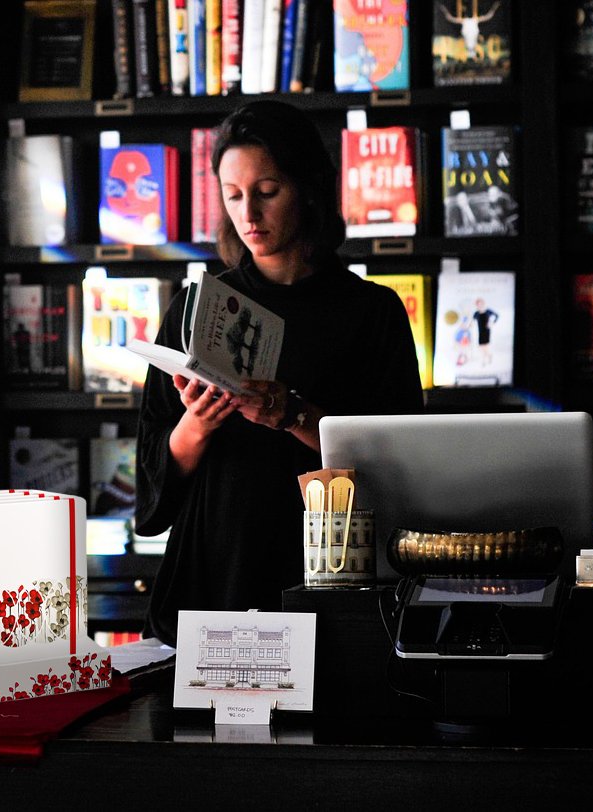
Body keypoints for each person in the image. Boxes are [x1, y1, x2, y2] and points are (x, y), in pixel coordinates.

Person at [133, 100, 424, 646]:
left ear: (309, 185)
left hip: (328, 572)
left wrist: (289, 412)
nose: (249, 215)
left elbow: (400, 465)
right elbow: (151, 495)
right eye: (233, 195)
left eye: (267, 192)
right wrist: (197, 423)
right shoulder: (195, 309)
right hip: (212, 571)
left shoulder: (373, 312)